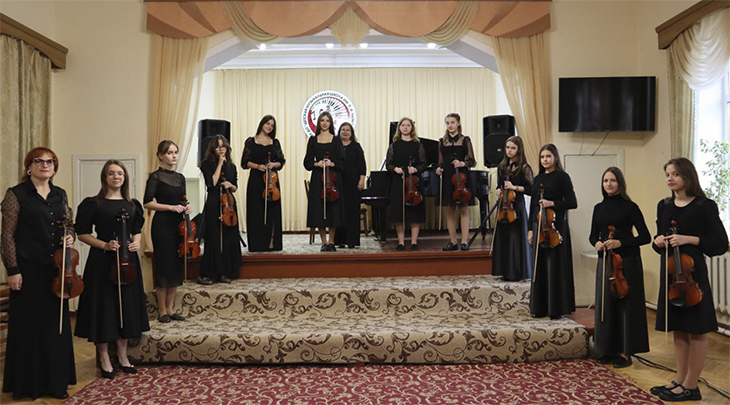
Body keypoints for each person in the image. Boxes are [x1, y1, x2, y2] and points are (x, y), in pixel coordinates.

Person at [650, 157, 728, 402]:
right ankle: (680, 380)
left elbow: (720, 243)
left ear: (687, 176)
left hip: (693, 276)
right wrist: (657, 241)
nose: (670, 178)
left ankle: (691, 386)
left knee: (697, 329)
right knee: (679, 328)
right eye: (667, 174)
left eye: (675, 174)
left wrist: (689, 239)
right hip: (672, 275)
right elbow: (660, 237)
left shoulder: (704, 206)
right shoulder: (664, 205)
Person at [1, 147, 76, 399]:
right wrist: (13, 270)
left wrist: (70, 236)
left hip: (56, 271)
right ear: (29, 167)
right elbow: (7, 237)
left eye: (50, 162)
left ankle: (56, 383)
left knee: (55, 327)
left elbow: (70, 225)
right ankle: (27, 386)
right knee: (28, 326)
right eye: (39, 161)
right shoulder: (16, 194)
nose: (45, 165)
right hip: (28, 269)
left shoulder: (60, 194)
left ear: (54, 168)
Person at [74, 160, 150, 379]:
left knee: (125, 306)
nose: (116, 177)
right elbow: (82, 234)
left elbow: (137, 229)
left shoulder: (132, 204)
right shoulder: (94, 203)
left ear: (125, 177)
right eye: (111, 173)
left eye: (120, 173)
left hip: (128, 262)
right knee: (104, 306)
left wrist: (136, 243)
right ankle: (104, 357)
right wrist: (105, 245)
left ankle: (123, 356)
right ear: (104, 177)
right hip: (102, 262)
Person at [588, 167, 650, 369]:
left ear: (620, 183)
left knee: (626, 306)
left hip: (627, 262)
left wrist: (620, 243)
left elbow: (645, 237)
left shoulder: (630, 207)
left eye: (612, 180)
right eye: (605, 180)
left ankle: (625, 351)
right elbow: (593, 235)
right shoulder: (598, 208)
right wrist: (596, 243)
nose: (608, 184)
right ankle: (607, 349)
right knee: (606, 305)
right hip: (605, 261)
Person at [527, 143, 577, 319]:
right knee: (539, 267)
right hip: (539, 226)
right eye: (542, 157)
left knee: (556, 267)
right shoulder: (538, 179)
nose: (545, 160)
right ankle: (539, 308)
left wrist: (552, 203)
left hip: (556, 227)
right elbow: (533, 206)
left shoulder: (562, 177)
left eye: (548, 156)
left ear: (555, 158)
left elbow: (572, 202)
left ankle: (556, 308)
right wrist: (530, 229)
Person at [143, 140, 191, 323]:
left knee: (175, 266)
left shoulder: (181, 177)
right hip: (162, 225)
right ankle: (161, 310)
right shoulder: (155, 177)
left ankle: (170, 309)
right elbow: (147, 202)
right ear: (161, 156)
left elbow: (183, 200)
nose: (174, 156)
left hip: (178, 225)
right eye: (170, 153)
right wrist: (170, 207)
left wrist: (187, 207)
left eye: (176, 152)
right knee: (164, 265)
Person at [198, 135, 242, 284]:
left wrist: (231, 185)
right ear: (213, 149)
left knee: (228, 238)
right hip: (214, 203)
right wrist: (219, 164)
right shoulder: (206, 164)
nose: (221, 149)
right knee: (214, 238)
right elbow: (212, 182)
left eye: (223, 146)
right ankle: (206, 272)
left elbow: (235, 187)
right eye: (217, 147)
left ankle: (222, 272)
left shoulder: (232, 166)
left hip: (228, 204)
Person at [241, 115, 286, 252]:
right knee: (256, 211)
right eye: (267, 123)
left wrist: (274, 164)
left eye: (272, 125)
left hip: (272, 180)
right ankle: (256, 244)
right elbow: (244, 162)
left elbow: (281, 161)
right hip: (256, 179)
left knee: (272, 211)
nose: (269, 127)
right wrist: (257, 166)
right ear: (262, 124)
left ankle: (271, 243)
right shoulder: (250, 141)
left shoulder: (275, 142)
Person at [492, 136, 534, 280]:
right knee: (504, 238)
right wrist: (498, 190)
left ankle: (517, 272)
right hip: (504, 205)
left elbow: (531, 189)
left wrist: (514, 187)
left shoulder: (524, 168)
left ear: (519, 150)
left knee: (516, 239)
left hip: (517, 207)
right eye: (507, 147)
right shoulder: (502, 167)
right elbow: (499, 185)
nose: (509, 151)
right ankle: (505, 271)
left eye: (513, 148)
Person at [304, 112, 345, 252]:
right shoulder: (313, 140)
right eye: (322, 120)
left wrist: (332, 163)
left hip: (333, 179)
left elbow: (342, 162)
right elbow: (307, 162)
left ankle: (331, 241)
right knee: (318, 210)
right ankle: (323, 241)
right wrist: (317, 163)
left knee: (333, 210)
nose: (325, 123)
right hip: (318, 178)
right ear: (319, 122)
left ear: (331, 123)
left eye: (327, 120)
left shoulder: (336, 140)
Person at [435, 113, 476, 251]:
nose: (450, 125)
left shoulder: (465, 140)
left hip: (461, 178)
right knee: (450, 210)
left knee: (463, 209)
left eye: (452, 122)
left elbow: (472, 161)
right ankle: (452, 242)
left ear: (458, 123)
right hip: (447, 177)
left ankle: (464, 241)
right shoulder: (442, 141)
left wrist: (462, 163)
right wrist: (439, 168)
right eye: (447, 123)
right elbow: (440, 162)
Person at [386, 117, 427, 251]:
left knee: (415, 212)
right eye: (403, 125)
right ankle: (401, 242)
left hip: (414, 181)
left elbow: (423, 164)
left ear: (412, 128)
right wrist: (395, 169)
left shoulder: (418, 145)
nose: (405, 127)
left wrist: (416, 169)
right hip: (399, 180)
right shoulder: (394, 146)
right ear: (399, 128)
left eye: (408, 125)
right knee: (399, 213)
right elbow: (389, 164)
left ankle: (414, 242)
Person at [334, 122, 366, 249]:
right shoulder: (335, 146)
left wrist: (362, 180)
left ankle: (352, 240)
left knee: (352, 212)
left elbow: (362, 165)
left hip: (353, 183)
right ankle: (340, 240)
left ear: (352, 133)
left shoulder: (356, 147)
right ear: (339, 132)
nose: (345, 132)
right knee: (339, 211)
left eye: (348, 130)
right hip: (337, 183)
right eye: (343, 129)